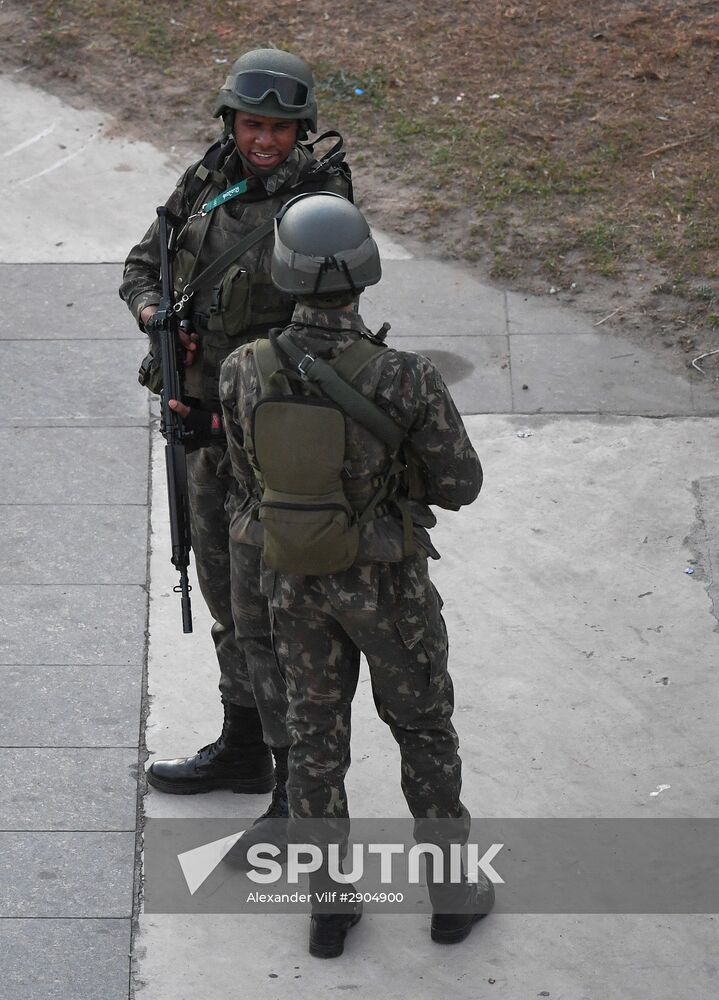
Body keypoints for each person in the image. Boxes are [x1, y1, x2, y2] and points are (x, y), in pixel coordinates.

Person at [218, 192, 494, 959]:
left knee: (313, 744)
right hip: (387, 587)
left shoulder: (245, 368)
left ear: (284, 270)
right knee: (422, 731)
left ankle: (329, 909)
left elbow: (246, 482)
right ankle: (450, 896)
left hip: (295, 587)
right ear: (364, 272)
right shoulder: (404, 378)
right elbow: (460, 485)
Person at [119, 48, 353, 820]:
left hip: (271, 441)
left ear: (301, 130)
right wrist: (161, 321)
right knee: (224, 595)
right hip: (198, 429)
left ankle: (296, 784)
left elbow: (324, 336)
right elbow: (141, 265)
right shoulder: (208, 177)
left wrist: (234, 407)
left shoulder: (320, 206)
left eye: (281, 129)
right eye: (253, 124)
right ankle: (245, 745)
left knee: (274, 611)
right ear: (230, 122)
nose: (264, 141)